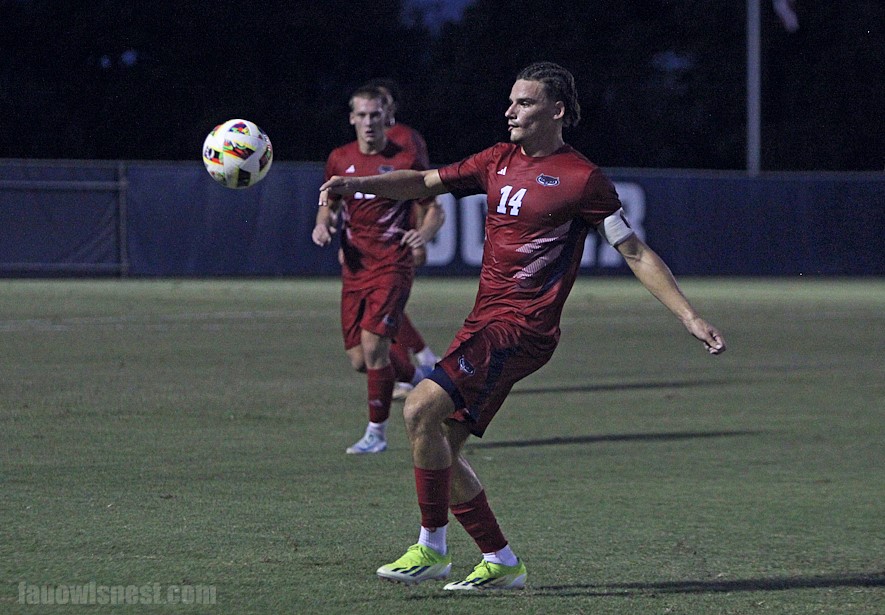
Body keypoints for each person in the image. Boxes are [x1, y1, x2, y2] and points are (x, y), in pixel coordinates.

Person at [319, 62, 726, 589]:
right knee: (441, 440)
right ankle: (501, 560)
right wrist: (357, 189)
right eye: (511, 101)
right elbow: (422, 181)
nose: (510, 111)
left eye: (524, 103)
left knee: (420, 405)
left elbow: (634, 250)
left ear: (555, 111)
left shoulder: (582, 179)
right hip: (484, 322)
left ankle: (431, 549)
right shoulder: (497, 160)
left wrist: (689, 315)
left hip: (521, 328)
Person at [312, 85, 443, 455]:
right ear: (352, 118)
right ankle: (422, 378)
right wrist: (323, 223)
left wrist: (423, 235)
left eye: (375, 115)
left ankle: (376, 434)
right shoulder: (339, 158)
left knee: (374, 348)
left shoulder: (404, 159)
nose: (369, 122)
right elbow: (330, 203)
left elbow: (434, 208)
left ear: (387, 117)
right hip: (355, 268)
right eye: (362, 115)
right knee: (359, 359)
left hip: (392, 264)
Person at [362, 78, 444, 399]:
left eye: (380, 104)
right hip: (369, 242)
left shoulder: (406, 139)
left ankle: (414, 369)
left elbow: (422, 187)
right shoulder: (364, 145)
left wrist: (421, 237)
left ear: (391, 107)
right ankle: (419, 364)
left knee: (383, 305)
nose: (373, 113)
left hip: (398, 236)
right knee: (381, 306)